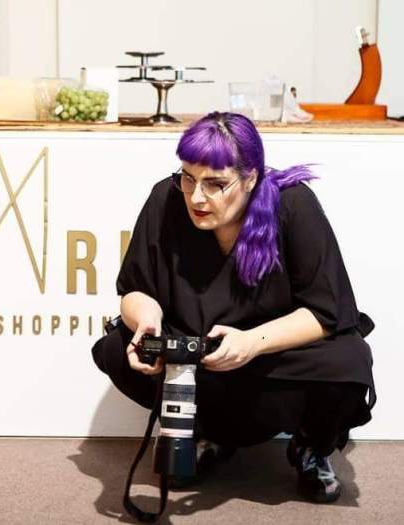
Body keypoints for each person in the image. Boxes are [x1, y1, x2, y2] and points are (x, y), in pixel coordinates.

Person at [91, 111, 376, 504]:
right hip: (197, 355)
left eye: (215, 184)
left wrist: (251, 343)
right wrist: (147, 318)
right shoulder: (165, 198)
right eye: (188, 177)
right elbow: (134, 289)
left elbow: (326, 312)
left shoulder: (293, 205)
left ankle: (310, 447)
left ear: (250, 178)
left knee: (349, 360)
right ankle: (204, 433)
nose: (196, 197)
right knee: (117, 348)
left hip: (270, 356)